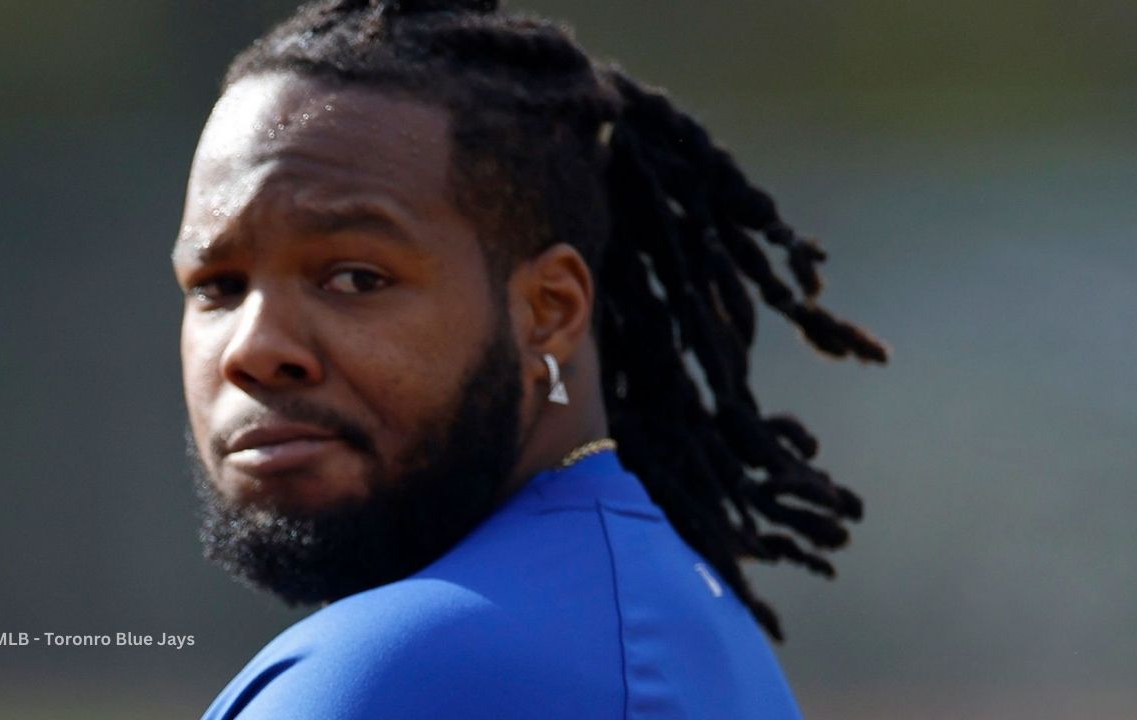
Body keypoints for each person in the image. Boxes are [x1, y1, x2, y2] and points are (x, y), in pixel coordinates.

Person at [173, 1, 887, 717]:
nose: (255, 350)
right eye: (217, 287)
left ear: (550, 310)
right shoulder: (700, 632)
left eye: (356, 278)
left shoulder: (387, 678)